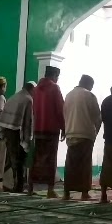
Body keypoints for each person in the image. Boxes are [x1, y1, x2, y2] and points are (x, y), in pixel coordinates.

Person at [63, 74, 101, 201]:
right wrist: (95, 134)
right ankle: (84, 193)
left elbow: (65, 114)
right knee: (84, 165)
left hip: (71, 133)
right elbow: (98, 117)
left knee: (71, 164)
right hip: (85, 134)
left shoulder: (68, 95)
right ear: (89, 84)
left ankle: (66, 193)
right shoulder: (89, 95)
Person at [31, 66, 66, 198]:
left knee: (37, 158)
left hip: (38, 128)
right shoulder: (54, 88)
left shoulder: (36, 89)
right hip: (51, 129)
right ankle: (50, 190)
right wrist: (63, 128)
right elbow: (60, 109)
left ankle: (30, 187)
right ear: (54, 75)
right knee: (50, 160)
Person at [0, 81, 35, 193]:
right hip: (17, 132)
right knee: (18, 160)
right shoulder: (28, 99)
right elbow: (28, 121)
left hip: (8, 131)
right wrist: (28, 138)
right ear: (32, 89)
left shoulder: (13, 97)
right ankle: (18, 186)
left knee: (11, 158)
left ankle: (6, 183)